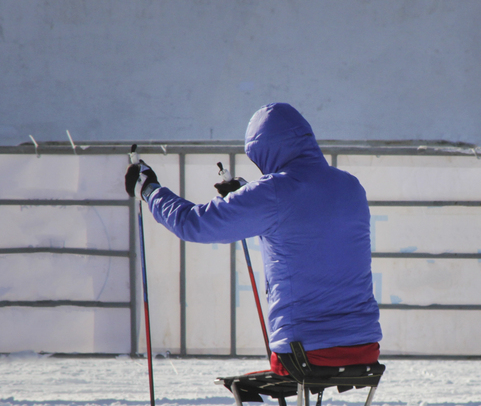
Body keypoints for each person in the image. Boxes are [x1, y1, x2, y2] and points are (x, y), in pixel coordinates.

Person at [125, 103, 381, 375]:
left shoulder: (273, 191)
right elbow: (301, 215)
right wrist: (246, 193)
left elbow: (193, 224)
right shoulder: (350, 186)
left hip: (304, 352)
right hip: (364, 348)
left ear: (265, 151)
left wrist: (148, 189)